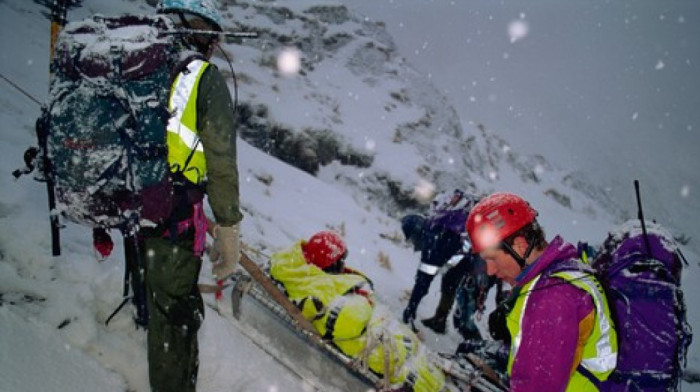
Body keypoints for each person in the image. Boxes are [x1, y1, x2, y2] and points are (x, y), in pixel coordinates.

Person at [139, 1, 242, 391]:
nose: (214, 46)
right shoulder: (201, 76)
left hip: (136, 202)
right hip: (172, 214)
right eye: (212, 36)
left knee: (161, 300)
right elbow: (220, 160)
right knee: (171, 315)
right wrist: (229, 225)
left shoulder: (143, 66)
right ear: (199, 29)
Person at [465, 192, 617, 391]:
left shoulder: (553, 297)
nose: (490, 270)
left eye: (492, 258)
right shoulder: (563, 274)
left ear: (519, 246)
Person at [269, 231, 446, 392]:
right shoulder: (319, 290)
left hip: (385, 338)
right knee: (423, 377)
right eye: (340, 261)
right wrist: (363, 300)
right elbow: (350, 322)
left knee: (423, 367)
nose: (344, 264)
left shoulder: (308, 275)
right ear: (330, 263)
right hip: (380, 349)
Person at [401, 190, 482, 335]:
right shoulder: (437, 223)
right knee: (450, 284)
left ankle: (471, 342)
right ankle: (440, 320)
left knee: (456, 299)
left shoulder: (432, 242)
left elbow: (422, 282)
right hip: (470, 255)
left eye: (413, 239)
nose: (414, 243)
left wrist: (410, 309)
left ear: (417, 232)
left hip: (471, 257)